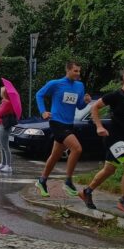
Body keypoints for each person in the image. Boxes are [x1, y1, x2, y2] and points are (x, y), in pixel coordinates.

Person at [78, 70, 124, 213]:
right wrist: (99, 126)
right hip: (114, 138)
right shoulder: (115, 96)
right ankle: (123, 200)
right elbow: (95, 107)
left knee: (109, 170)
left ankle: (87, 191)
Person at [34, 61, 92, 198]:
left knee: (55, 155)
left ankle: (42, 181)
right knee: (77, 149)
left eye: (79, 71)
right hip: (56, 122)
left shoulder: (79, 86)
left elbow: (79, 106)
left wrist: (86, 102)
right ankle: (68, 181)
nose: (78, 74)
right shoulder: (56, 83)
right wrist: (43, 112)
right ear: (68, 70)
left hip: (68, 123)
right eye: (75, 71)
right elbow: (39, 94)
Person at [0, 86, 17, 173]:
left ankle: (8, 166)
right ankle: (3, 163)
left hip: (4, 126)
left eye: (1, 91)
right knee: (1, 146)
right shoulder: (4, 102)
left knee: (5, 146)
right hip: (0, 124)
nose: (0, 92)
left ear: (3, 93)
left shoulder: (7, 103)